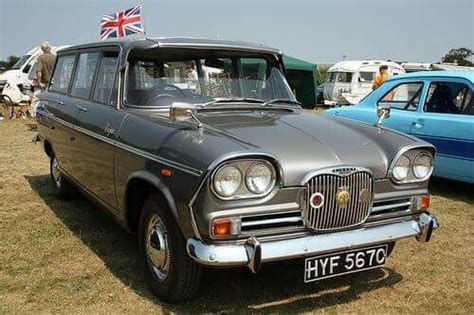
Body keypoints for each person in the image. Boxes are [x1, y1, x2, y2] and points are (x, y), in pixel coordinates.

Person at [31, 41, 56, 117]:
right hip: (53, 83)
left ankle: (34, 116)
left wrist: (39, 83)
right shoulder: (55, 57)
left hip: (44, 83)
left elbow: (39, 72)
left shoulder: (41, 58)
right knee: (50, 101)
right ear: (50, 48)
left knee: (36, 100)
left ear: (42, 49)